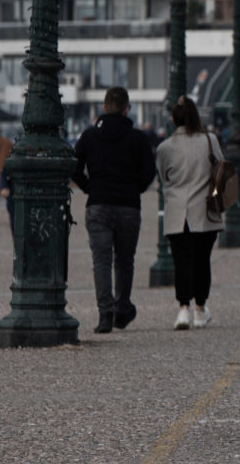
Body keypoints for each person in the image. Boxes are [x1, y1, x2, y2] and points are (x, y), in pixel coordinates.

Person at [72, 86, 156, 333]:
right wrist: (136, 188)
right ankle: (122, 308)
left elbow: (74, 168)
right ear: (127, 109)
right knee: (124, 260)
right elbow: (149, 172)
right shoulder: (138, 138)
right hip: (129, 205)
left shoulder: (89, 136)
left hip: (98, 203)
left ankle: (105, 314)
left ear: (103, 107)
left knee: (101, 261)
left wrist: (89, 188)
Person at [156, 95, 223, 330]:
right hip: (203, 211)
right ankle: (200, 309)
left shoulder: (165, 147)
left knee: (181, 262)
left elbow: (163, 177)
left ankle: (183, 308)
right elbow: (221, 169)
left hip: (176, 213)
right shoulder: (209, 140)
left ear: (174, 119)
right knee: (202, 261)